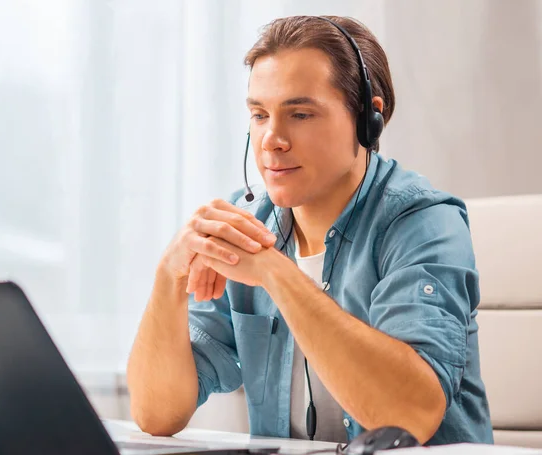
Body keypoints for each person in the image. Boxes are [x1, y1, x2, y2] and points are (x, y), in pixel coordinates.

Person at [126, 15, 493, 446]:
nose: (272, 139)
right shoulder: (249, 226)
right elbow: (157, 414)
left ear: (368, 119)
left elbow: (408, 415)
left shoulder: (422, 222)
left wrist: (276, 274)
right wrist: (168, 277)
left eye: (299, 113)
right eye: (259, 114)